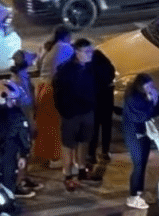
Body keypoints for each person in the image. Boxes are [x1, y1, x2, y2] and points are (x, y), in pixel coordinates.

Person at [53, 39, 98, 191]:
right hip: (71, 114)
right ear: (77, 52)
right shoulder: (65, 71)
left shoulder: (90, 67)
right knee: (68, 145)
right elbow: (58, 94)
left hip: (87, 111)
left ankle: (81, 170)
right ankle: (68, 175)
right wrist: (65, 111)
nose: (90, 54)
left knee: (84, 141)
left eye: (91, 51)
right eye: (87, 52)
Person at [34, 27, 73, 169]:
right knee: (53, 125)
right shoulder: (65, 47)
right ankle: (55, 158)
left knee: (45, 124)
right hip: (52, 89)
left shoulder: (50, 48)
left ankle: (45, 156)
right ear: (67, 36)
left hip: (41, 88)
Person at [122, 73, 159, 209]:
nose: (150, 87)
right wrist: (152, 102)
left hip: (142, 135)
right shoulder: (133, 98)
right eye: (147, 85)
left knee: (142, 165)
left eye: (151, 84)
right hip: (135, 136)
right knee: (138, 165)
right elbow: (142, 116)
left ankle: (139, 192)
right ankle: (133, 196)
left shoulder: (142, 95)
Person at [9, 50, 44, 195]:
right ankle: (18, 182)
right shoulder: (16, 81)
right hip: (21, 121)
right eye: (29, 57)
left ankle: (24, 177)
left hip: (26, 118)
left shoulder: (22, 77)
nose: (32, 57)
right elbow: (17, 104)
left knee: (26, 151)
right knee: (21, 152)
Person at [87, 47, 117, 167]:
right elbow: (112, 74)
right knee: (106, 128)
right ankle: (105, 152)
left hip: (95, 103)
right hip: (107, 101)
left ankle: (91, 154)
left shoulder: (91, 70)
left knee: (93, 130)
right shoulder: (107, 66)